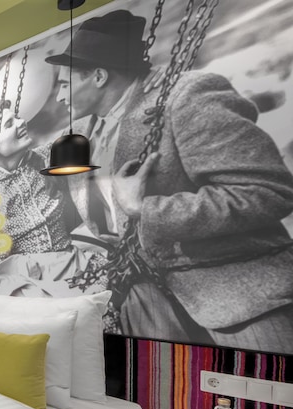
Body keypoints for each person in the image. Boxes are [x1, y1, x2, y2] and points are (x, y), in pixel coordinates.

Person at [44, 9, 293, 353]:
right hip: (146, 306)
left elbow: (268, 192)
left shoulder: (187, 96)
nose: (59, 96)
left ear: (98, 76)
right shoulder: (79, 136)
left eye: (64, 84)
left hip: (237, 296)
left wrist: (146, 209)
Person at [0, 97, 90, 297]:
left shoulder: (45, 158)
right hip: (27, 281)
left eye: (18, 117)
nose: (22, 122)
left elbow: (82, 129)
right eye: (9, 124)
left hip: (72, 264)